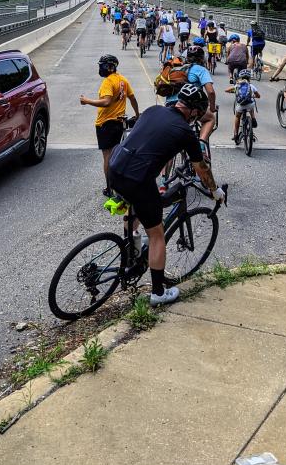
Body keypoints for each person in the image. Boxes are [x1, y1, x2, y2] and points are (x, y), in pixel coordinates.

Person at [107, 84, 224, 307]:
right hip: (138, 178)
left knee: (137, 208)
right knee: (157, 234)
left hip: (115, 167)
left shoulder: (153, 109)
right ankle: (158, 293)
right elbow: (201, 168)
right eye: (197, 114)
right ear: (193, 111)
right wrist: (214, 190)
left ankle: (131, 257)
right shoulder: (185, 132)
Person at [80, 55, 139, 196]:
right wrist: (137, 114)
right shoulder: (123, 80)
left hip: (105, 124)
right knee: (115, 154)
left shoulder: (108, 82)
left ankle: (109, 187)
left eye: (103, 65)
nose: (100, 68)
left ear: (111, 67)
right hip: (119, 123)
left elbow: (106, 102)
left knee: (107, 156)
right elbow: (132, 98)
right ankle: (117, 183)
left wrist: (86, 101)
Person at [166, 43, 216, 143]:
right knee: (210, 118)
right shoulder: (201, 70)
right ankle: (201, 145)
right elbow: (210, 92)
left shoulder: (176, 69)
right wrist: (212, 107)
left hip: (170, 105)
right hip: (189, 106)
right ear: (202, 59)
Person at [225, 69, 260, 144]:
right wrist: (253, 95)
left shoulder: (238, 85)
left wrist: (234, 91)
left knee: (237, 116)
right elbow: (258, 96)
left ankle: (235, 134)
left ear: (240, 77)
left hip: (240, 105)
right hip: (250, 105)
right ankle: (253, 118)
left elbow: (226, 90)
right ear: (249, 78)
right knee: (251, 103)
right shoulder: (251, 86)